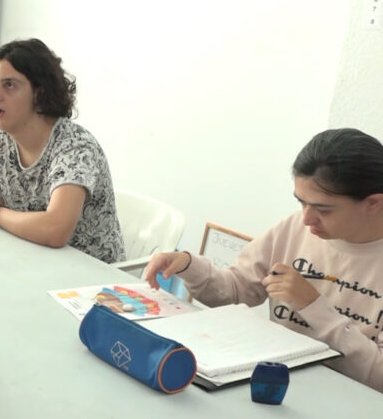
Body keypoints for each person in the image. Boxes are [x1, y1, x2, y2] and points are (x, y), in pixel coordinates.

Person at [144, 128, 383, 393]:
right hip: (277, 387)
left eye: (323, 210)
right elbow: (236, 290)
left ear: (373, 203)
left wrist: (313, 306)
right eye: (301, 203)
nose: (306, 219)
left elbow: (378, 377)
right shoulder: (294, 228)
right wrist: (188, 265)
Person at [0, 38, 125, 264]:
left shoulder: (76, 146)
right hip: (32, 260)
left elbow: (55, 230)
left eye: (9, 85)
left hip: (92, 275)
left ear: (39, 93)